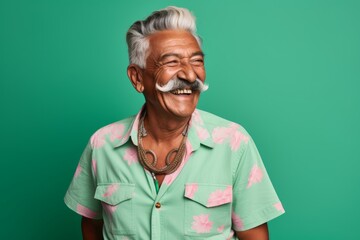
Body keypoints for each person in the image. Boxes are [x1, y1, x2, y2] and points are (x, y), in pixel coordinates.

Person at [64, 6, 285, 240]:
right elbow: (91, 227)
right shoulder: (102, 145)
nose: (190, 76)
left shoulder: (234, 143)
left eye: (196, 61)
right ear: (137, 78)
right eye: (171, 62)